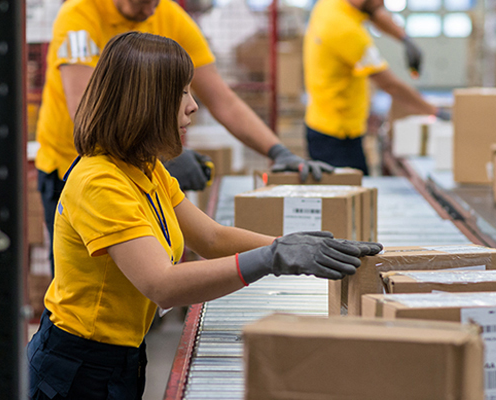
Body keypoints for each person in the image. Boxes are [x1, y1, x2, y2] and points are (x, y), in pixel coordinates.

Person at [27, 32, 382, 400]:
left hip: (121, 356)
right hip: (76, 367)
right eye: (181, 93)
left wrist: (291, 248)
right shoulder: (100, 182)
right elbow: (161, 284)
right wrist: (271, 260)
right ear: (144, 102)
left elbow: (210, 238)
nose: (193, 106)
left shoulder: (145, 168)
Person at [35, 0, 335, 276]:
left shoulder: (167, 14)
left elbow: (222, 99)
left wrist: (277, 150)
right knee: (93, 274)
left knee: (133, 280)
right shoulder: (80, 17)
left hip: (133, 161)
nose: (152, 10)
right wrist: (269, 259)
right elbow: (87, 107)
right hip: (70, 163)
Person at [303, 0, 447, 176]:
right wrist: (435, 111)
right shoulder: (344, 30)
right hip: (335, 137)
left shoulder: (334, 5)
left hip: (335, 126)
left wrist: (405, 39)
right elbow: (390, 85)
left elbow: (375, 13)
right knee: (351, 196)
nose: (382, 3)